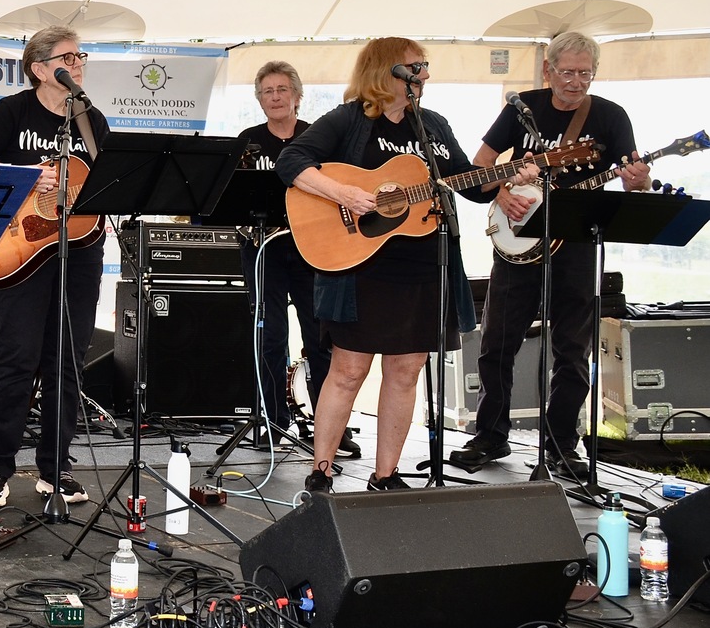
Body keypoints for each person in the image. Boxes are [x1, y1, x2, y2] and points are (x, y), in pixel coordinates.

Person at [276, 37, 515, 492]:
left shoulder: (434, 127)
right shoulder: (348, 120)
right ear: (388, 71)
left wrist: (507, 173)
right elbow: (292, 161)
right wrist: (344, 193)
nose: (425, 74)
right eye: (416, 66)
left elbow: (468, 183)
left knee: (405, 373)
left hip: (422, 267)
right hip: (364, 267)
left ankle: (385, 476)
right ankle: (320, 471)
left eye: (424, 66)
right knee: (348, 370)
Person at [450, 31, 649, 478]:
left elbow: (635, 184)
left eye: (585, 73)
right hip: (516, 245)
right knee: (497, 342)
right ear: (548, 70)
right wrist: (502, 192)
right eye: (568, 72)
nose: (576, 82)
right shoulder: (524, 109)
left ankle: (561, 443)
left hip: (576, 245)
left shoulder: (610, 116)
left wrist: (638, 180)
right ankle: (490, 434)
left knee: (572, 349)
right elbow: (480, 166)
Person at [0, 25, 109, 508]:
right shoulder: (13, 111)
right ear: (41, 69)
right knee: (15, 360)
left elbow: (106, 186)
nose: (78, 64)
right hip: (21, 253)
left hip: (80, 253)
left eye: (80, 56)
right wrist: (19, 176)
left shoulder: (91, 120)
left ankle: (55, 469)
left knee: (66, 362)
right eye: (68, 57)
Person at [235, 62, 357, 458]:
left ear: (297, 96)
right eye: (267, 90)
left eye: (282, 89)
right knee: (269, 337)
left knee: (319, 339)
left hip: (313, 249)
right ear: (259, 99)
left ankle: (330, 426)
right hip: (264, 249)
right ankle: (271, 421)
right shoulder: (247, 141)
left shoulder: (315, 139)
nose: (275, 96)